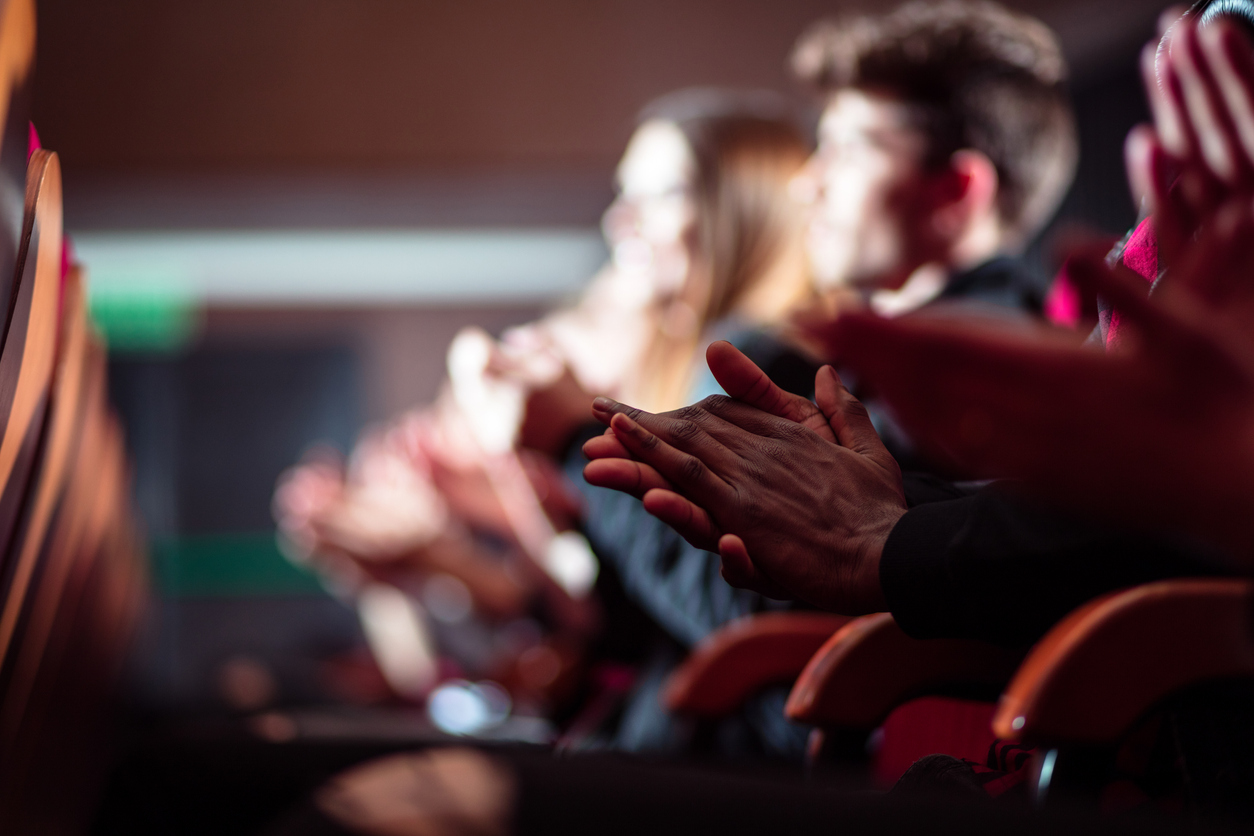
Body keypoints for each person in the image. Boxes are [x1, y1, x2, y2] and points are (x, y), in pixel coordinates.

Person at [582, 4, 1245, 649]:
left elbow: (762, 636)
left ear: (957, 192)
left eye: (847, 149)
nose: (807, 184)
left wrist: (569, 443)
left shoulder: (968, 356)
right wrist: (889, 514)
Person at [272, 90, 813, 719]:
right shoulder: (695, 365)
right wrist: (424, 556)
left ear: (748, 211)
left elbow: (652, 617)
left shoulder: (759, 366)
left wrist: (533, 466)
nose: (620, 222)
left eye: (662, 194)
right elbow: (589, 617)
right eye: (622, 193)